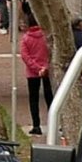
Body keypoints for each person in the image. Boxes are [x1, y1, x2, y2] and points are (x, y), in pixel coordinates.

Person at [21, 7, 54, 135]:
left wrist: (36, 68)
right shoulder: (46, 37)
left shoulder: (26, 39)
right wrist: (45, 67)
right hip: (47, 70)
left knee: (33, 99)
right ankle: (53, 122)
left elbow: (25, 56)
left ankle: (36, 125)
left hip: (32, 72)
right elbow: (50, 52)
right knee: (49, 96)